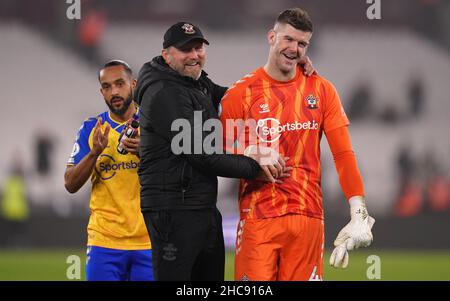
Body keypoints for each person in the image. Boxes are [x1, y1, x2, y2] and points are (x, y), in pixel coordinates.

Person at [134, 22, 302, 281]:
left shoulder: (195, 82)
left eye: (198, 47)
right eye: (185, 49)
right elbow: (201, 154)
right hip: (173, 210)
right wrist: (255, 166)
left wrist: (287, 73)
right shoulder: (164, 92)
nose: (194, 55)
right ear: (167, 55)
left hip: (200, 206)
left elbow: (235, 99)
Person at [219, 8, 375, 281]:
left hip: (308, 219)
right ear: (271, 37)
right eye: (288, 39)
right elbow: (214, 151)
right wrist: (248, 151)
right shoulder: (240, 94)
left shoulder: (322, 89)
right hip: (258, 218)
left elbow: (343, 154)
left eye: (302, 43)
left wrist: (358, 210)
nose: (294, 49)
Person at [64, 60, 153, 281]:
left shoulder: (153, 124)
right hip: (105, 242)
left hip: (149, 240)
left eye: (119, 84)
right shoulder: (91, 128)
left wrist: (146, 152)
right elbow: (70, 184)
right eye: (107, 86)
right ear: (101, 91)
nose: (114, 91)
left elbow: (176, 174)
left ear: (133, 84)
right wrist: (94, 153)